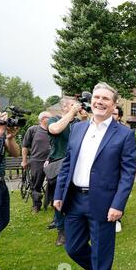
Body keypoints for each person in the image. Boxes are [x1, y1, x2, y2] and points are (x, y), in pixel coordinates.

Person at [53, 82, 136, 270]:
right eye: (97, 97)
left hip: (103, 202)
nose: (100, 102)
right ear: (91, 101)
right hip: (74, 199)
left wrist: (118, 204)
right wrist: (59, 194)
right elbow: (67, 164)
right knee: (73, 248)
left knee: (102, 252)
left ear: (114, 104)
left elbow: (128, 174)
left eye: (105, 99)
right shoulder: (77, 128)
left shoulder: (124, 134)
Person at [46, 96, 88, 246]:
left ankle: (77, 226)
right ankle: (61, 231)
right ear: (64, 107)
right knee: (59, 198)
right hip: (59, 165)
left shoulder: (78, 123)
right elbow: (55, 129)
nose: (76, 107)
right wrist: (71, 113)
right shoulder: (54, 120)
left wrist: (84, 119)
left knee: (76, 196)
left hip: (77, 165)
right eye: (72, 105)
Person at [0, 93, 20, 270]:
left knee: (3, 221)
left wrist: (9, 137)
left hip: (0, 183)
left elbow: (15, 153)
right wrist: (0, 131)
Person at [21, 111, 52, 213]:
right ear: (43, 119)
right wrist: (24, 161)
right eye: (50, 117)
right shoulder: (33, 130)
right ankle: (36, 205)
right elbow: (25, 146)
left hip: (52, 161)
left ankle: (52, 202)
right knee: (36, 184)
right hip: (37, 161)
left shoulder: (54, 130)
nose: (52, 119)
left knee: (53, 183)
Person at [112, 105, 125, 233]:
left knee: (117, 193)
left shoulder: (124, 132)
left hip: (117, 170)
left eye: (115, 114)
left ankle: (117, 219)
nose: (112, 116)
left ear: (119, 116)